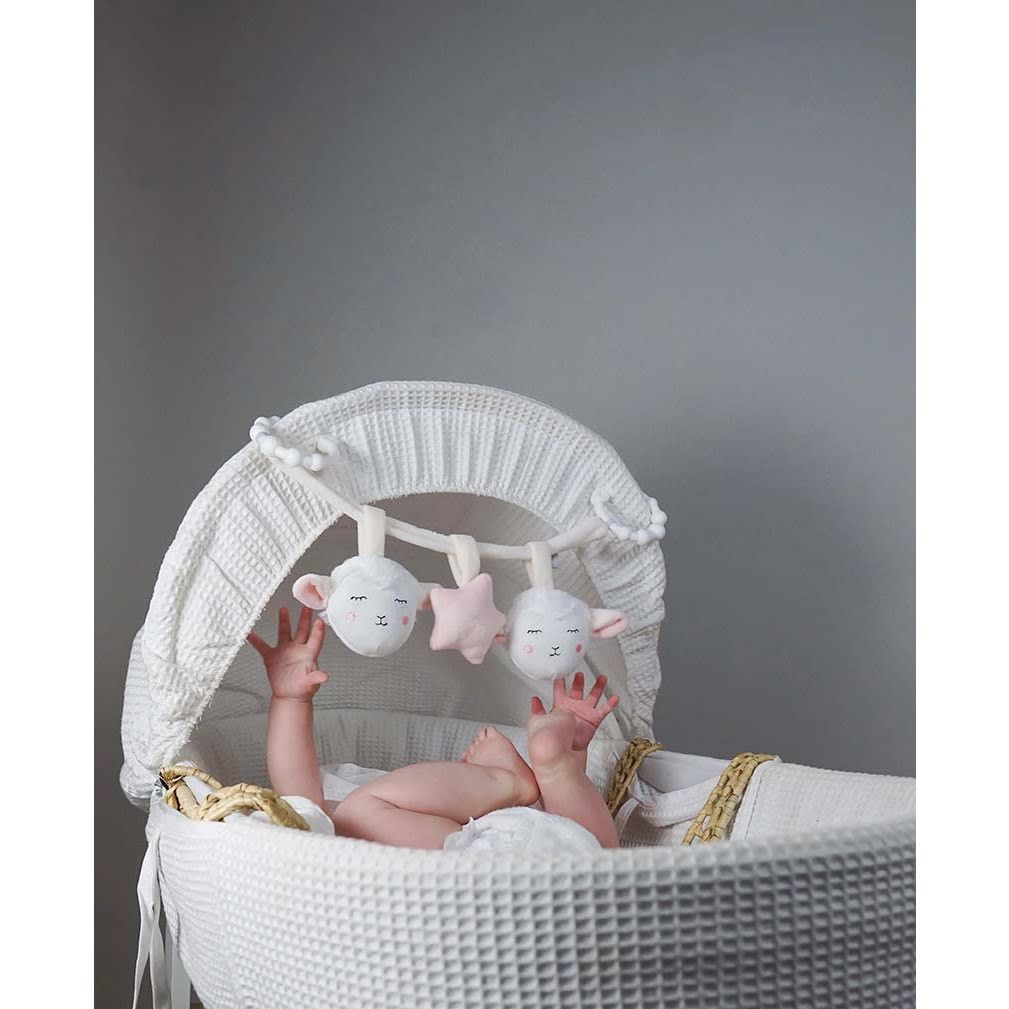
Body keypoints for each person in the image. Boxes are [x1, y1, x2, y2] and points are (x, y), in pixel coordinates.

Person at [248, 606, 621, 849]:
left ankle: (534, 776)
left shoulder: (320, 836)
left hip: (492, 862)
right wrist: (291, 700)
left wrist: (290, 700)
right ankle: (544, 773)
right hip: (518, 864)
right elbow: (298, 797)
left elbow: (297, 798)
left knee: (348, 815)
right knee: (597, 858)